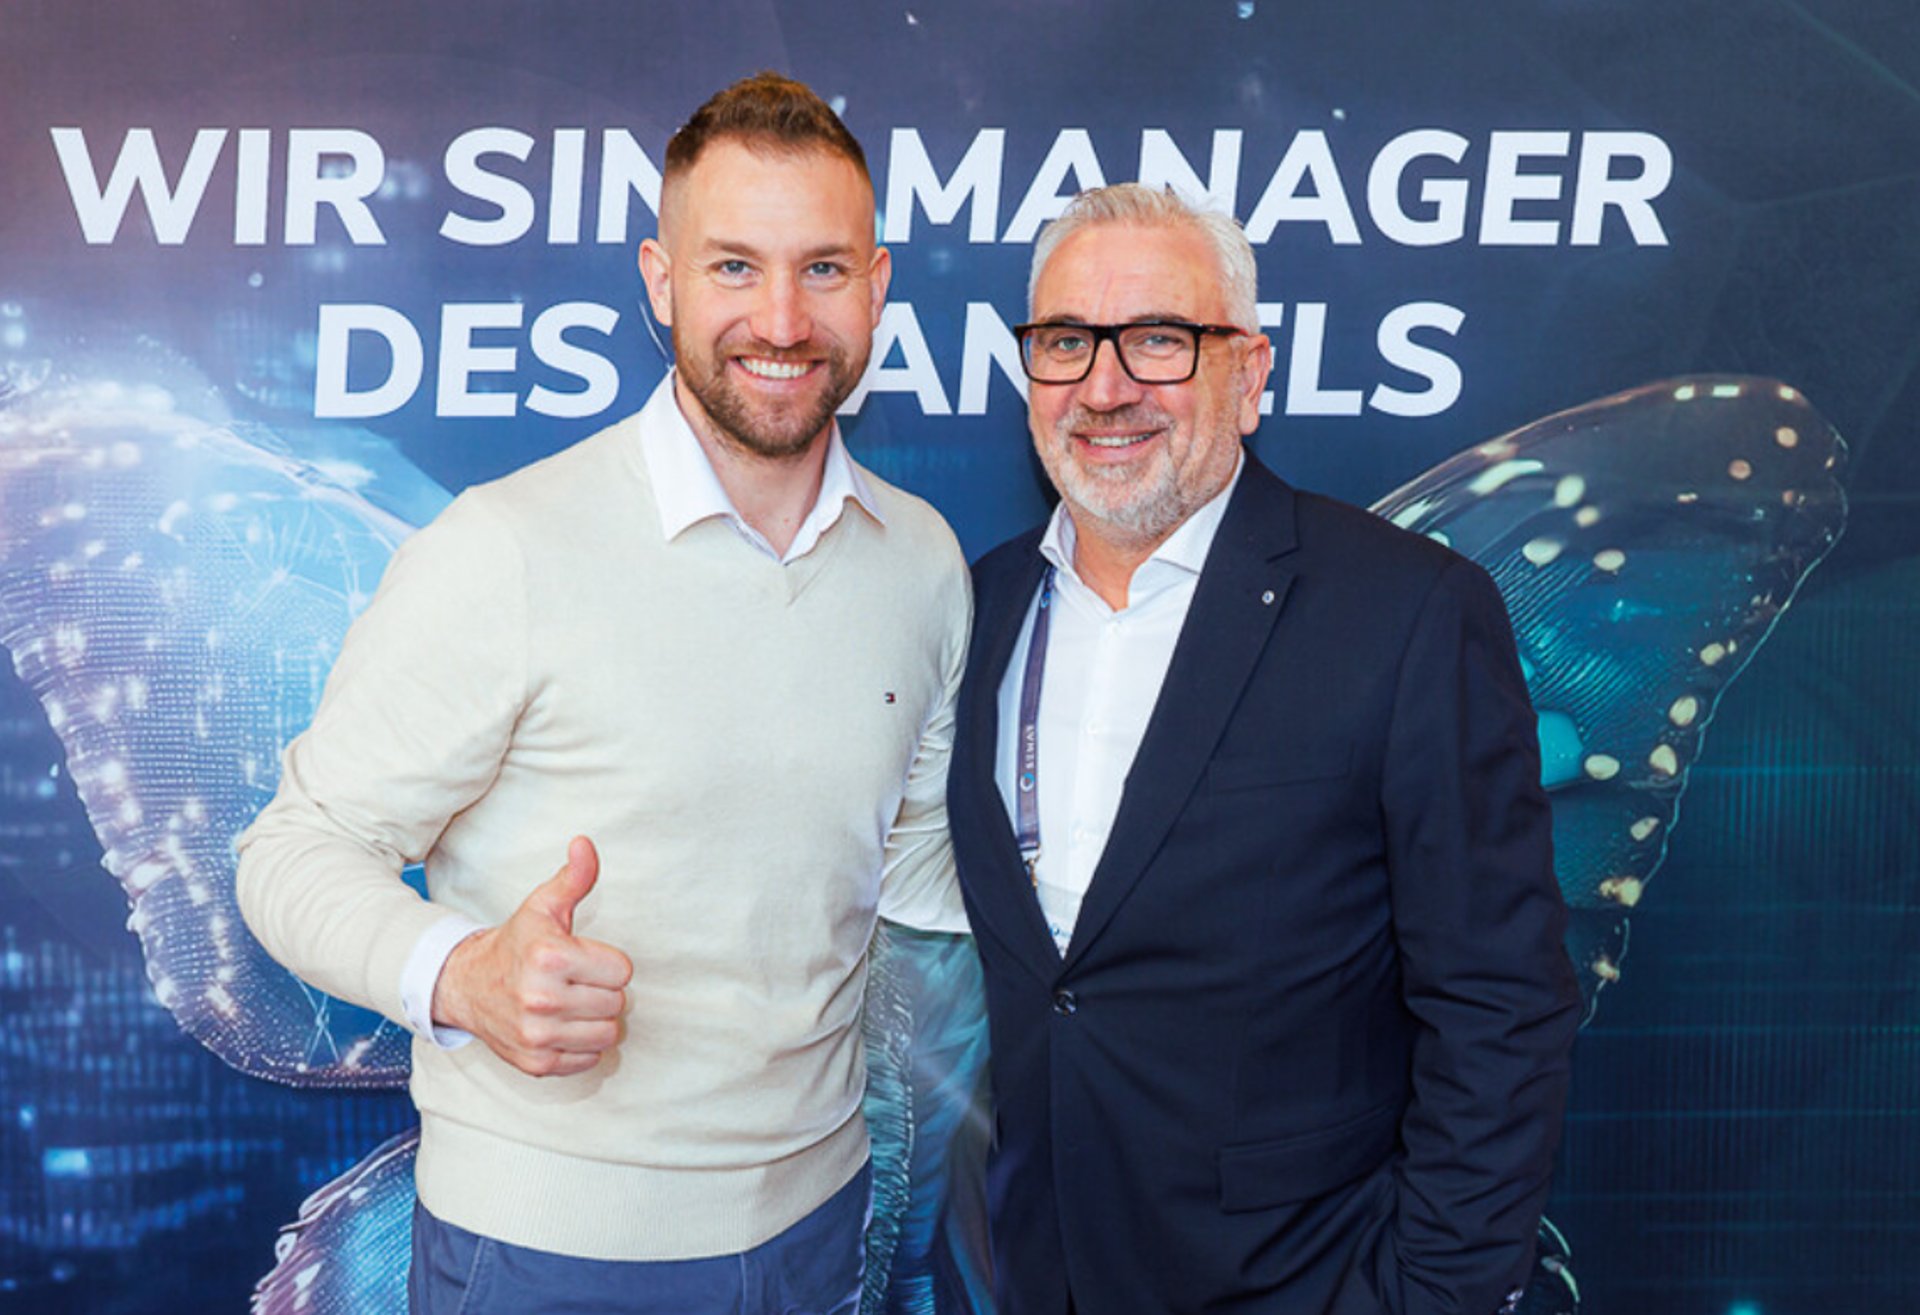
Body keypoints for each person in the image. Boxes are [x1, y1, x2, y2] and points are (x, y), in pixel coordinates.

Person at [236, 72, 971, 1314]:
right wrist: (460, 972)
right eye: (733, 266)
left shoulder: (923, 562)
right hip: (541, 1256)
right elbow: (292, 848)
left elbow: (920, 874)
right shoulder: (506, 548)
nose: (782, 317)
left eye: (823, 269)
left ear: (877, 284)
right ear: (661, 281)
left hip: (820, 1228)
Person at [947, 183, 1583, 1315]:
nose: (1104, 386)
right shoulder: (979, 606)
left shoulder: (1408, 611)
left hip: (1308, 1281)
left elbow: (1500, 1001)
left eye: (1158, 339)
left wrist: (1433, 1296)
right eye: (1065, 341)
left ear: (1249, 375)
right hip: (1035, 1272)